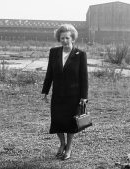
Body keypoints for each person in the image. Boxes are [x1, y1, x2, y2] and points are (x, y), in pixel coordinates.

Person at [41, 24, 88, 160]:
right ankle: (62, 144)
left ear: (73, 39)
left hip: (73, 95)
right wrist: (45, 91)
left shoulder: (80, 54)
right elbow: (49, 73)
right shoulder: (54, 52)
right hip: (58, 94)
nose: (64, 41)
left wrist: (84, 97)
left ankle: (69, 148)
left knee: (70, 123)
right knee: (57, 121)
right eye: (62, 38)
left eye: (67, 38)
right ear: (59, 39)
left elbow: (84, 77)